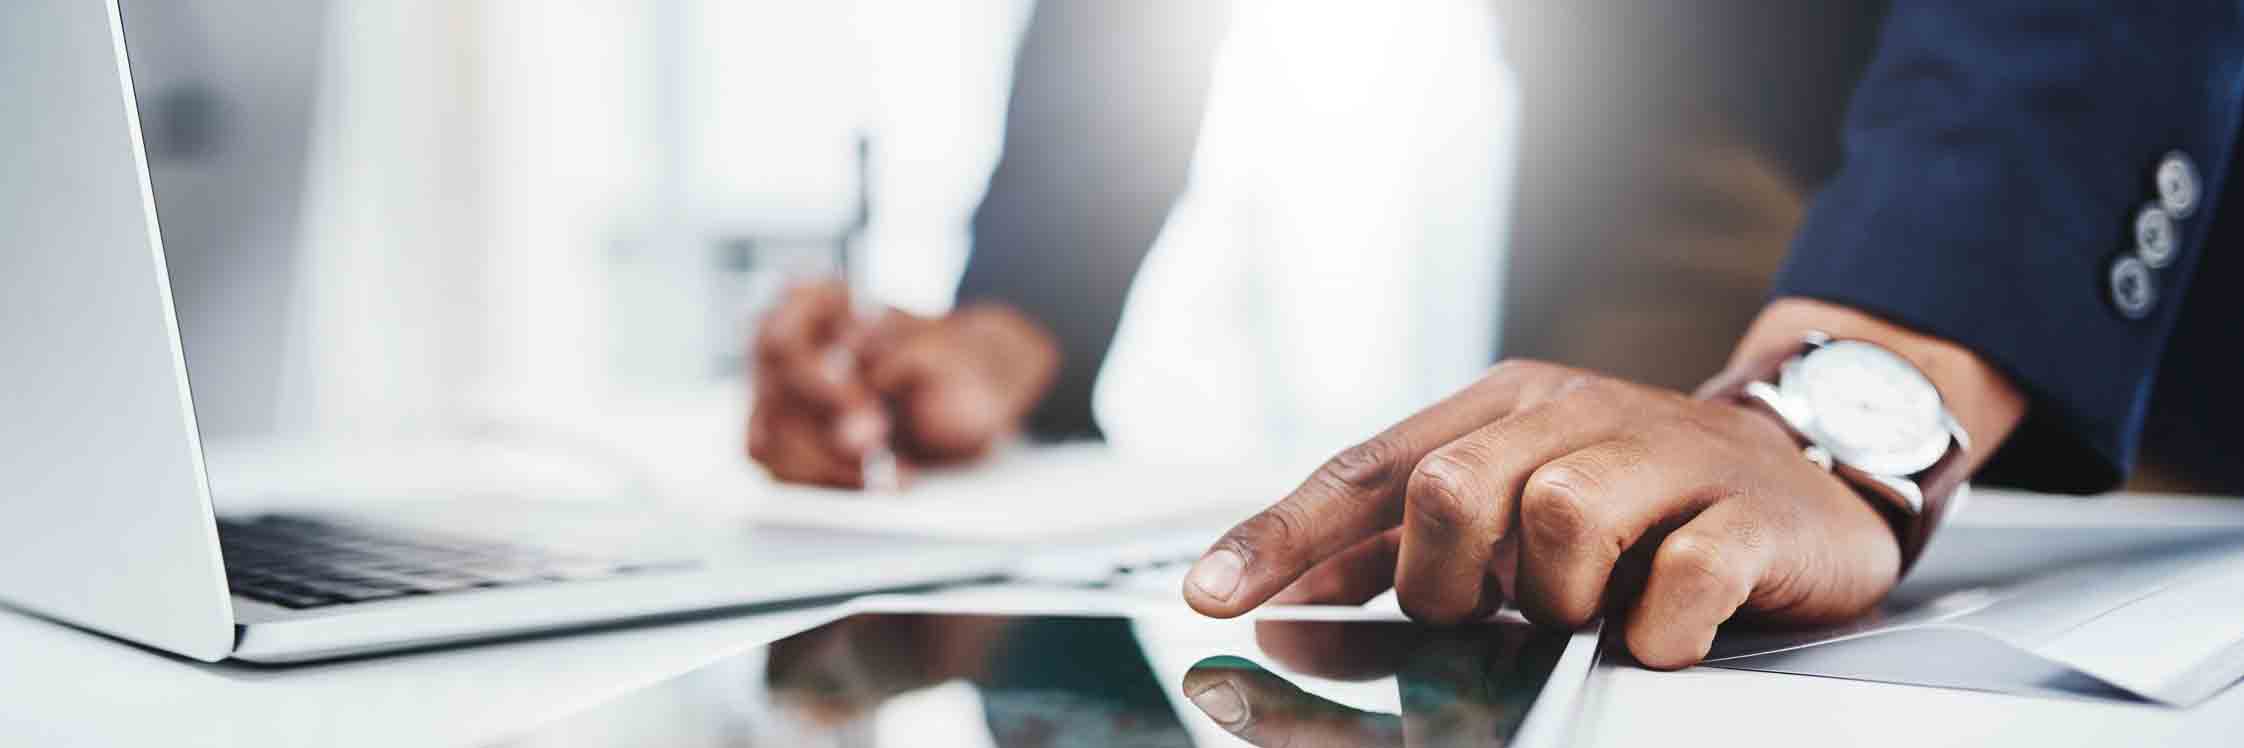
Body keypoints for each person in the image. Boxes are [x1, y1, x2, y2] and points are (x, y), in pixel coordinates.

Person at [760, 0, 2244, 670]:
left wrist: (1878, 370)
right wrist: (1026, 308)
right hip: (1667, 89)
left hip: (2089, 138)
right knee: (1565, 587)